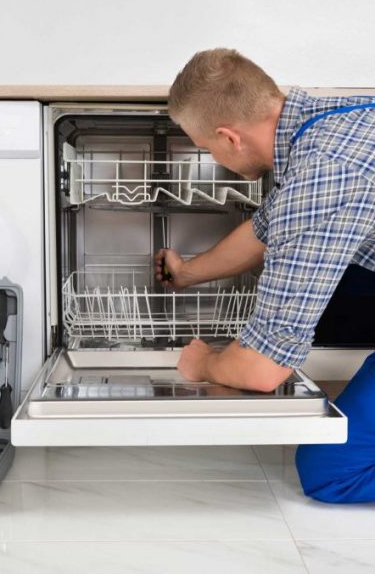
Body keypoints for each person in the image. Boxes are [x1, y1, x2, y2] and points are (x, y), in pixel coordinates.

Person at [155, 48, 375, 504]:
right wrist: (187, 273)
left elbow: (260, 372)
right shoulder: (326, 122)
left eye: (206, 149)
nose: (213, 158)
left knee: (331, 472)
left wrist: (204, 363)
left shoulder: (324, 175)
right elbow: (267, 230)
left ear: (229, 137)